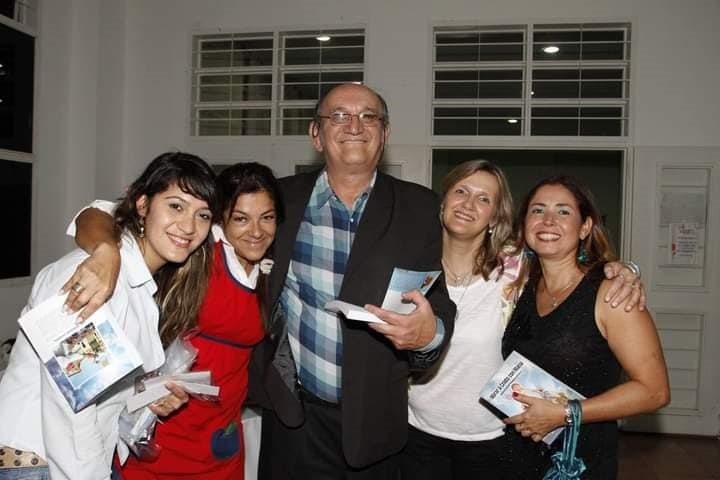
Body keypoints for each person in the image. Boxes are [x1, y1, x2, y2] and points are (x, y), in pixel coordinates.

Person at [253, 83, 456, 479]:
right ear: (316, 134)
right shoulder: (277, 201)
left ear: (385, 133)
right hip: (294, 419)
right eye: (339, 116)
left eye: (369, 117)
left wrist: (429, 335)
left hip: (375, 425)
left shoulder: (419, 208)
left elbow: (439, 301)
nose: (355, 126)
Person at [400, 161, 646, 479]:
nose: (468, 204)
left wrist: (625, 270)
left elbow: (565, 260)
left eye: (484, 198)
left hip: (494, 438)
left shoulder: (515, 269)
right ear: (443, 201)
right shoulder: (411, 264)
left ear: (495, 217)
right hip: (415, 432)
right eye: (461, 191)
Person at [0, 152, 220, 480]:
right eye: (176, 206)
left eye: (202, 215)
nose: (189, 226)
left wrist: (147, 398)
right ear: (143, 205)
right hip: (38, 464)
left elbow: (101, 391)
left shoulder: (139, 287)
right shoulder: (89, 277)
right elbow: (71, 408)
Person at [63, 162, 283, 479]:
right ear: (220, 219)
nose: (256, 231)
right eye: (240, 218)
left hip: (221, 433)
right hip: (161, 428)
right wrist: (105, 249)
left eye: (267, 217)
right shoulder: (197, 249)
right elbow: (99, 212)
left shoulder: (272, 265)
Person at [501, 175, 670, 478]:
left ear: (585, 227)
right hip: (518, 453)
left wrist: (565, 413)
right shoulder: (523, 285)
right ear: (524, 225)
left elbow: (654, 391)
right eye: (538, 210)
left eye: (563, 211)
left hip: (576, 462)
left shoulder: (611, 294)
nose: (548, 220)